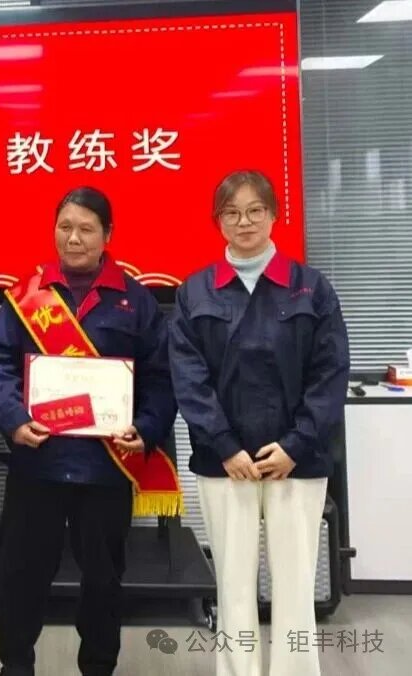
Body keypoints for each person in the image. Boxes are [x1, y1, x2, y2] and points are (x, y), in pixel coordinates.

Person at [0, 187, 180, 676]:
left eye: (86, 229)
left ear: (108, 234)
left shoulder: (135, 300)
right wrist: (13, 419)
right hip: (38, 463)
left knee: (104, 580)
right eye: (65, 227)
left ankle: (98, 666)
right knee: (19, 575)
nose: (73, 238)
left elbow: (161, 378)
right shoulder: (26, 295)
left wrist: (146, 428)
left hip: (105, 468)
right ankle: (15, 666)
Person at [169, 170, 350, 676]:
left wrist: (296, 445)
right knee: (232, 583)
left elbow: (330, 373)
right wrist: (225, 445)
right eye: (231, 212)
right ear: (217, 221)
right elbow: (188, 377)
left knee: (295, 583)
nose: (244, 222)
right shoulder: (195, 292)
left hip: (298, 460)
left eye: (254, 210)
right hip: (225, 463)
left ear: (273, 215)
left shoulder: (311, 288)